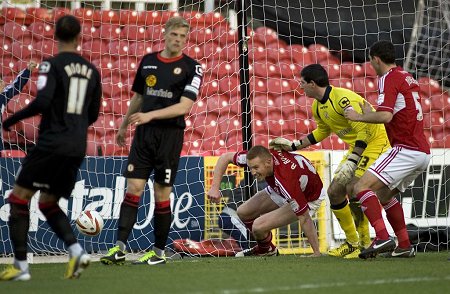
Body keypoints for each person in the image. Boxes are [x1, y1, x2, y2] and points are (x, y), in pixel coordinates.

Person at [0, 15, 101, 281]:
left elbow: (43, 101)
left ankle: (21, 267)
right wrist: (75, 126)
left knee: (19, 199)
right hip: (77, 146)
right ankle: (77, 250)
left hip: (51, 143)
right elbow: (94, 114)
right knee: (47, 202)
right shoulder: (92, 71)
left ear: (55, 36)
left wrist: (12, 117)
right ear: (80, 38)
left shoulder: (50, 65)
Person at [100, 16, 203, 266]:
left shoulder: (193, 67)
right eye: (174, 35)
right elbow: (138, 97)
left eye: (182, 36)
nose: (178, 40)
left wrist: (149, 115)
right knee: (133, 189)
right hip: (143, 136)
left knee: (161, 194)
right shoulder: (148, 61)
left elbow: (184, 107)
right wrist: (124, 125)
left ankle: (158, 253)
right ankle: (119, 248)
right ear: (164, 33)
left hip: (169, 137)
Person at [269, 63, 390, 258]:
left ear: (313, 83)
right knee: (334, 192)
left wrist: (352, 159)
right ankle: (352, 243)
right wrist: (293, 146)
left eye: (303, 83)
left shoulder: (342, 99)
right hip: (357, 147)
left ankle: (365, 243)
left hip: (375, 142)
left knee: (353, 187)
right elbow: (322, 131)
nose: (300, 87)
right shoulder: (318, 105)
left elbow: (365, 130)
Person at [344, 40, 430, 259]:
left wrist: (359, 116)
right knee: (383, 195)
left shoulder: (387, 78)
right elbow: (396, 112)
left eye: (370, 61)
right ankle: (404, 245)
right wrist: (370, 112)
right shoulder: (406, 76)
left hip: (406, 149)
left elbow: (386, 115)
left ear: (376, 59)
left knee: (360, 187)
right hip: (422, 152)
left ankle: (382, 237)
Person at [208, 145, 325, 257]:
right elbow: (225, 157)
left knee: (258, 227)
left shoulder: (286, 180)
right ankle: (268, 249)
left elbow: (304, 217)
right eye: (251, 168)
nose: (253, 172)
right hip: (282, 188)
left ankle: (264, 249)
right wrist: (214, 188)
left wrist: (316, 252)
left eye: (256, 168)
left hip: (308, 198)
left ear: (268, 162)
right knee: (243, 212)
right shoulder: (262, 157)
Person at [1, 60, 38, 148]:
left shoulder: (3, 95)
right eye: (0, 82)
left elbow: (16, 86)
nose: (3, 83)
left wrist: (28, 71)